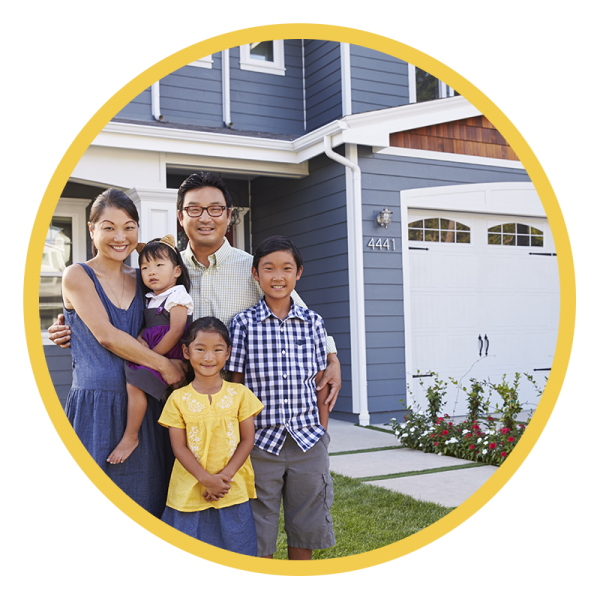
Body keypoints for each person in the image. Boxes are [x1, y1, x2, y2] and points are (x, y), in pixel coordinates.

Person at [49, 172, 342, 410]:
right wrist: (69, 325)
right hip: (176, 397)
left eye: (215, 209)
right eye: (194, 210)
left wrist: (332, 359)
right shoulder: (161, 269)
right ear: (180, 217)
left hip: (238, 398)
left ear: (228, 216)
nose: (205, 218)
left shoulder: (254, 269)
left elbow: (299, 316)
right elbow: (119, 311)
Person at [60, 189, 186, 517]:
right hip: (96, 409)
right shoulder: (77, 275)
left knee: (148, 505)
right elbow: (106, 336)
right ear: (91, 230)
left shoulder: (145, 278)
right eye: (108, 227)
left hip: (143, 406)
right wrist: (165, 365)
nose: (120, 237)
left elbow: (172, 312)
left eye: (129, 227)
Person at [227, 235, 336, 560]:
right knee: (260, 530)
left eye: (286, 268)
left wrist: (322, 435)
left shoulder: (313, 323)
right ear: (255, 275)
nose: (278, 276)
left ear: (298, 273)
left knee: (306, 524)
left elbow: (320, 385)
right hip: (261, 445)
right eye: (269, 268)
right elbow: (238, 387)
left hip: (308, 443)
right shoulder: (244, 324)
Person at [159, 317, 264, 555]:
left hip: (231, 489)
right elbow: (179, 448)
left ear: (228, 353)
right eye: (200, 349)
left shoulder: (240, 394)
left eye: (218, 350)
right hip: (188, 491)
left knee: (237, 551)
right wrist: (207, 480)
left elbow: (248, 440)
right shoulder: (177, 399)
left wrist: (223, 479)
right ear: (186, 351)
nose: (209, 357)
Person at [107, 235, 194, 465]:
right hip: (155, 353)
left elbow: (176, 331)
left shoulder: (178, 295)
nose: (150, 271)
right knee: (135, 383)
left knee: (135, 383)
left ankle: (131, 435)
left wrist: (153, 357)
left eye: (158, 265)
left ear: (176, 271)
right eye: (145, 267)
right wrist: (139, 338)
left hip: (168, 353)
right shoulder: (150, 298)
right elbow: (149, 325)